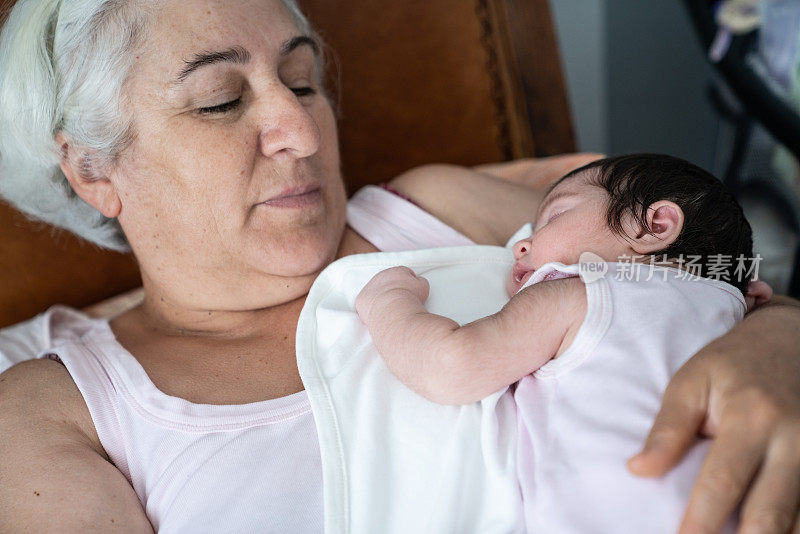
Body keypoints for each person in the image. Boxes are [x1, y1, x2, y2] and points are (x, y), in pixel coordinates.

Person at [0, 1, 797, 532]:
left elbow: (690, 254)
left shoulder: (434, 208)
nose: (302, 132)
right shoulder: (54, 412)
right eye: (220, 100)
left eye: (304, 81)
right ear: (93, 170)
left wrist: (783, 337)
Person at [355, 153, 771, 532]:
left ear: (653, 226)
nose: (521, 243)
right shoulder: (740, 315)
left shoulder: (581, 293)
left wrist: (388, 304)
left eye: (553, 217)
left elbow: (452, 365)